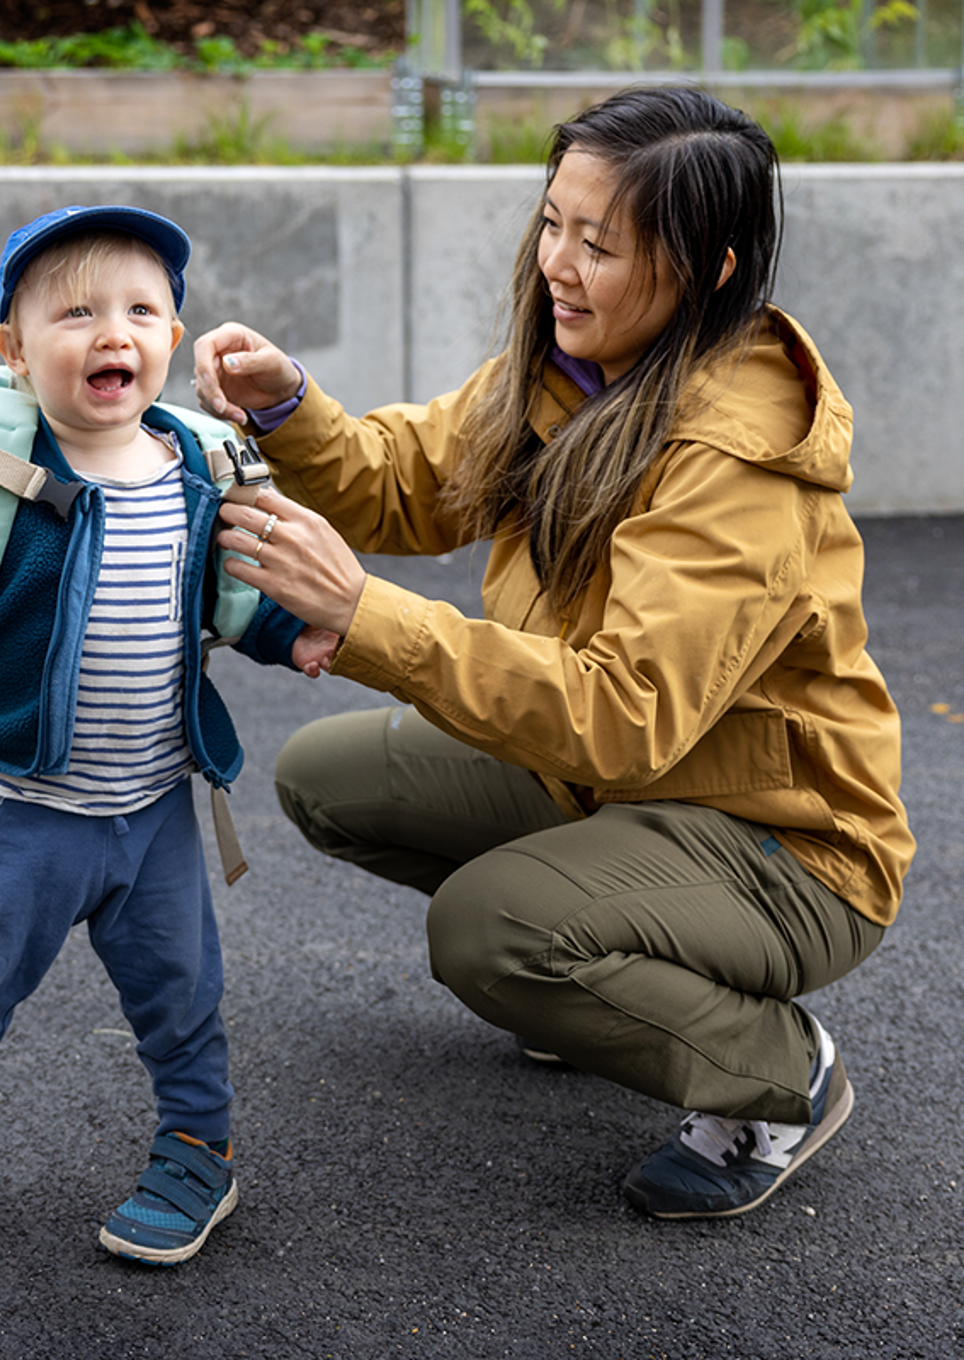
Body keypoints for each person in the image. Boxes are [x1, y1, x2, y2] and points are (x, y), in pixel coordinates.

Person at [191, 86, 914, 1219]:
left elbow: (624, 712)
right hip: (623, 787)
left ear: (708, 270)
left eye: (601, 244)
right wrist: (289, 410)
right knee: (328, 781)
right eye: (550, 224)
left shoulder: (735, 460)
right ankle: (606, 980)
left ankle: (778, 1078)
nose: (557, 266)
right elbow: (410, 481)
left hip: (784, 845)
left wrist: (364, 614)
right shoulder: (574, 367)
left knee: (490, 929)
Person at [0, 204, 335, 1263]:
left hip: (150, 809)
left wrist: (292, 635)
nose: (113, 331)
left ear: (170, 339)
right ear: (15, 351)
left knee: (182, 993)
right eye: (75, 312)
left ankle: (199, 1147)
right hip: (8, 810)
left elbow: (230, 590)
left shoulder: (196, 466)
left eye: (141, 310)